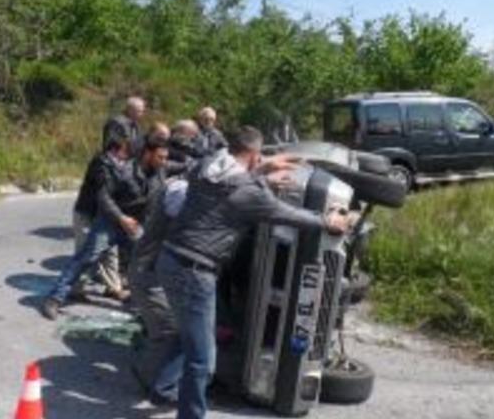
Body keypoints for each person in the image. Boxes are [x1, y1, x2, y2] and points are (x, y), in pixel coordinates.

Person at [155, 126, 351, 419]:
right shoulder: (248, 191)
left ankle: (164, 388)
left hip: (169, 259)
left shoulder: (206, 164)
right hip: (195, 272)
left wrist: (260, 172)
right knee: (203, 361)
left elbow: (229, 183)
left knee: (191, 334)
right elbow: (286, 214)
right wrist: (327, 221)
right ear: (255, 154)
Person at [41, 136, 170, 319]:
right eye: (160, 157)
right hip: (110, 222)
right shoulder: (123, 170)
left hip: (134, 225)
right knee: (85, 258)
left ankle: (145, 306)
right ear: (148, 154)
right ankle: (54, 298)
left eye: (165, 158)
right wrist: (122, 218)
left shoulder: (160, 172)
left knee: (144, 262)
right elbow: (104, 198)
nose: (164, 162)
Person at [129, 178, 188, 405]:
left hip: (152, 273)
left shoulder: (176, 195)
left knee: (164, 328)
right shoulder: (178, 196)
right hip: (148, 275)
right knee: (171, 330)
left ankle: (149, 373)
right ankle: (149, 377)